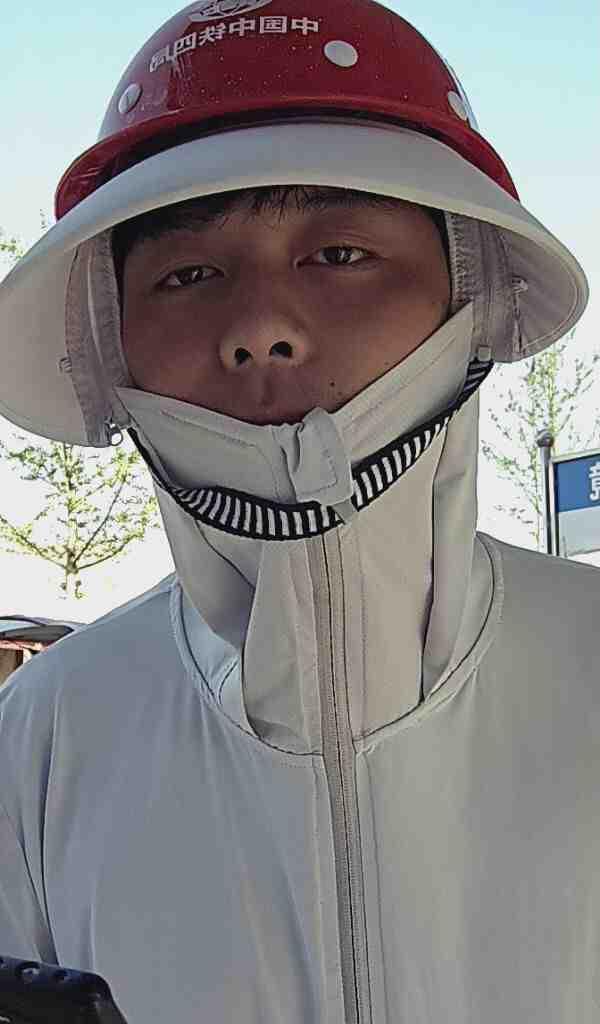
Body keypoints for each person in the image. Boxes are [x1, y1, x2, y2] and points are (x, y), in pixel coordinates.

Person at [0, 1, 598, 1021]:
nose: (262, 327)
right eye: (190, 273)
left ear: (470, 304)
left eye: (340, 254)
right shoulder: (42, 735)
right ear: (114, 344)